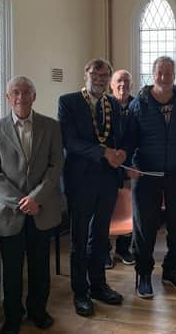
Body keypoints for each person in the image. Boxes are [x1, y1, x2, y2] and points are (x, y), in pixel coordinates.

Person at [0, 76, 63, 334]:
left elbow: (55, 166)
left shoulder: (51, 127)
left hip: (42, 210)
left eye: (26, 92)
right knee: (12, 271)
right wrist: (21, 202)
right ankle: (13, 318)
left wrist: (36, 199)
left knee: (40, 267)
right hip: (9, 213)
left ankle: (39, 311)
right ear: (8, 97)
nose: (20, 97)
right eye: (15, 92)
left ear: (34, 96)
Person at [58, 59, 130, 317]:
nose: (100, 78)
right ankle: (80, 292)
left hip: (107, 180)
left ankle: (99, 285)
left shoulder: (112, 104)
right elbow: (70, 142)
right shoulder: (68, 102)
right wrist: (103, 152)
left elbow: (118, 137)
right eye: (95, 73)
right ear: (86, 74)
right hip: (80, 180)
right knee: (78, 238)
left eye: (105, 75)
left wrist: (122, 153)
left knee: (100, 236)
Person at [127, 56, 176, 299]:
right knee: (144, 227)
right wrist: (131, 166)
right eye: (159, 72)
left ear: (174, 75)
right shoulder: (139, 104)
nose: (163, 77)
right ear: (152, 74)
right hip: (147, 176)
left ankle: (171, 270)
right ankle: (144, 274)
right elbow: (130, 141)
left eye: (168, 73)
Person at [104, 69, 135, 268]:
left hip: (130, 164)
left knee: (128, 208)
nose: (122, 85)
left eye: (126, 81)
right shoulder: (103, 104)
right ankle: (104, 250)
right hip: (106, 165)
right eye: (118, 81)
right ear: (111, 85)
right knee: (105, 208)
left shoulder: (138, 105)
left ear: (131, 85)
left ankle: (124, 249)